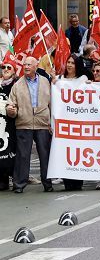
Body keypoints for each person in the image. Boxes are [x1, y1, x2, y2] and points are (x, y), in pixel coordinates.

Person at [8, 57, 52, 193]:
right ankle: (19, 184)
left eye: (29, 64)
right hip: (24, 123)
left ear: (36, 66)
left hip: (42, 123)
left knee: (45, 155)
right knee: (22, 155)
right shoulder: (17, 85)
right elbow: (11, 103)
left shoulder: (46, 82)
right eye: (25, 64)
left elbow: (53, 103)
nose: (26, 67)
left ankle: (48, 183)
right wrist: (11, 110)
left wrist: (52, 122)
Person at [0, 61, 17, 190]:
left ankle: (13, 176)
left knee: (10, 152)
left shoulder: (16, 86)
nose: (5, 69)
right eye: (3, 67)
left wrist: (13, 110)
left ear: (14, 71)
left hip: (11, 125)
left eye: (8, 67)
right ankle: (2, 180)